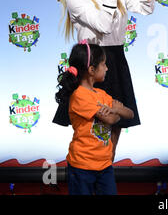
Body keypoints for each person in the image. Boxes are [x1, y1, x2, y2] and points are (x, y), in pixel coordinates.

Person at [53, 0, 154, 162]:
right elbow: (103, 25)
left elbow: (147, 8)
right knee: (92, 132)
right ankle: (85, 174)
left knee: (114, 130)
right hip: (90, 63)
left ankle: (105, 173)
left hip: (114, 60)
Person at [55, 41, 134, 195]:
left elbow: (130, 114)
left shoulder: (102, 95)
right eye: (104, 64)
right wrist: (117, 111)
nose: (107, 68)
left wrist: (115, 111)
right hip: (82, 167)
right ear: (91, 70)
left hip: (104, 166)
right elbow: (111, 120)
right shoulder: (79, 95)